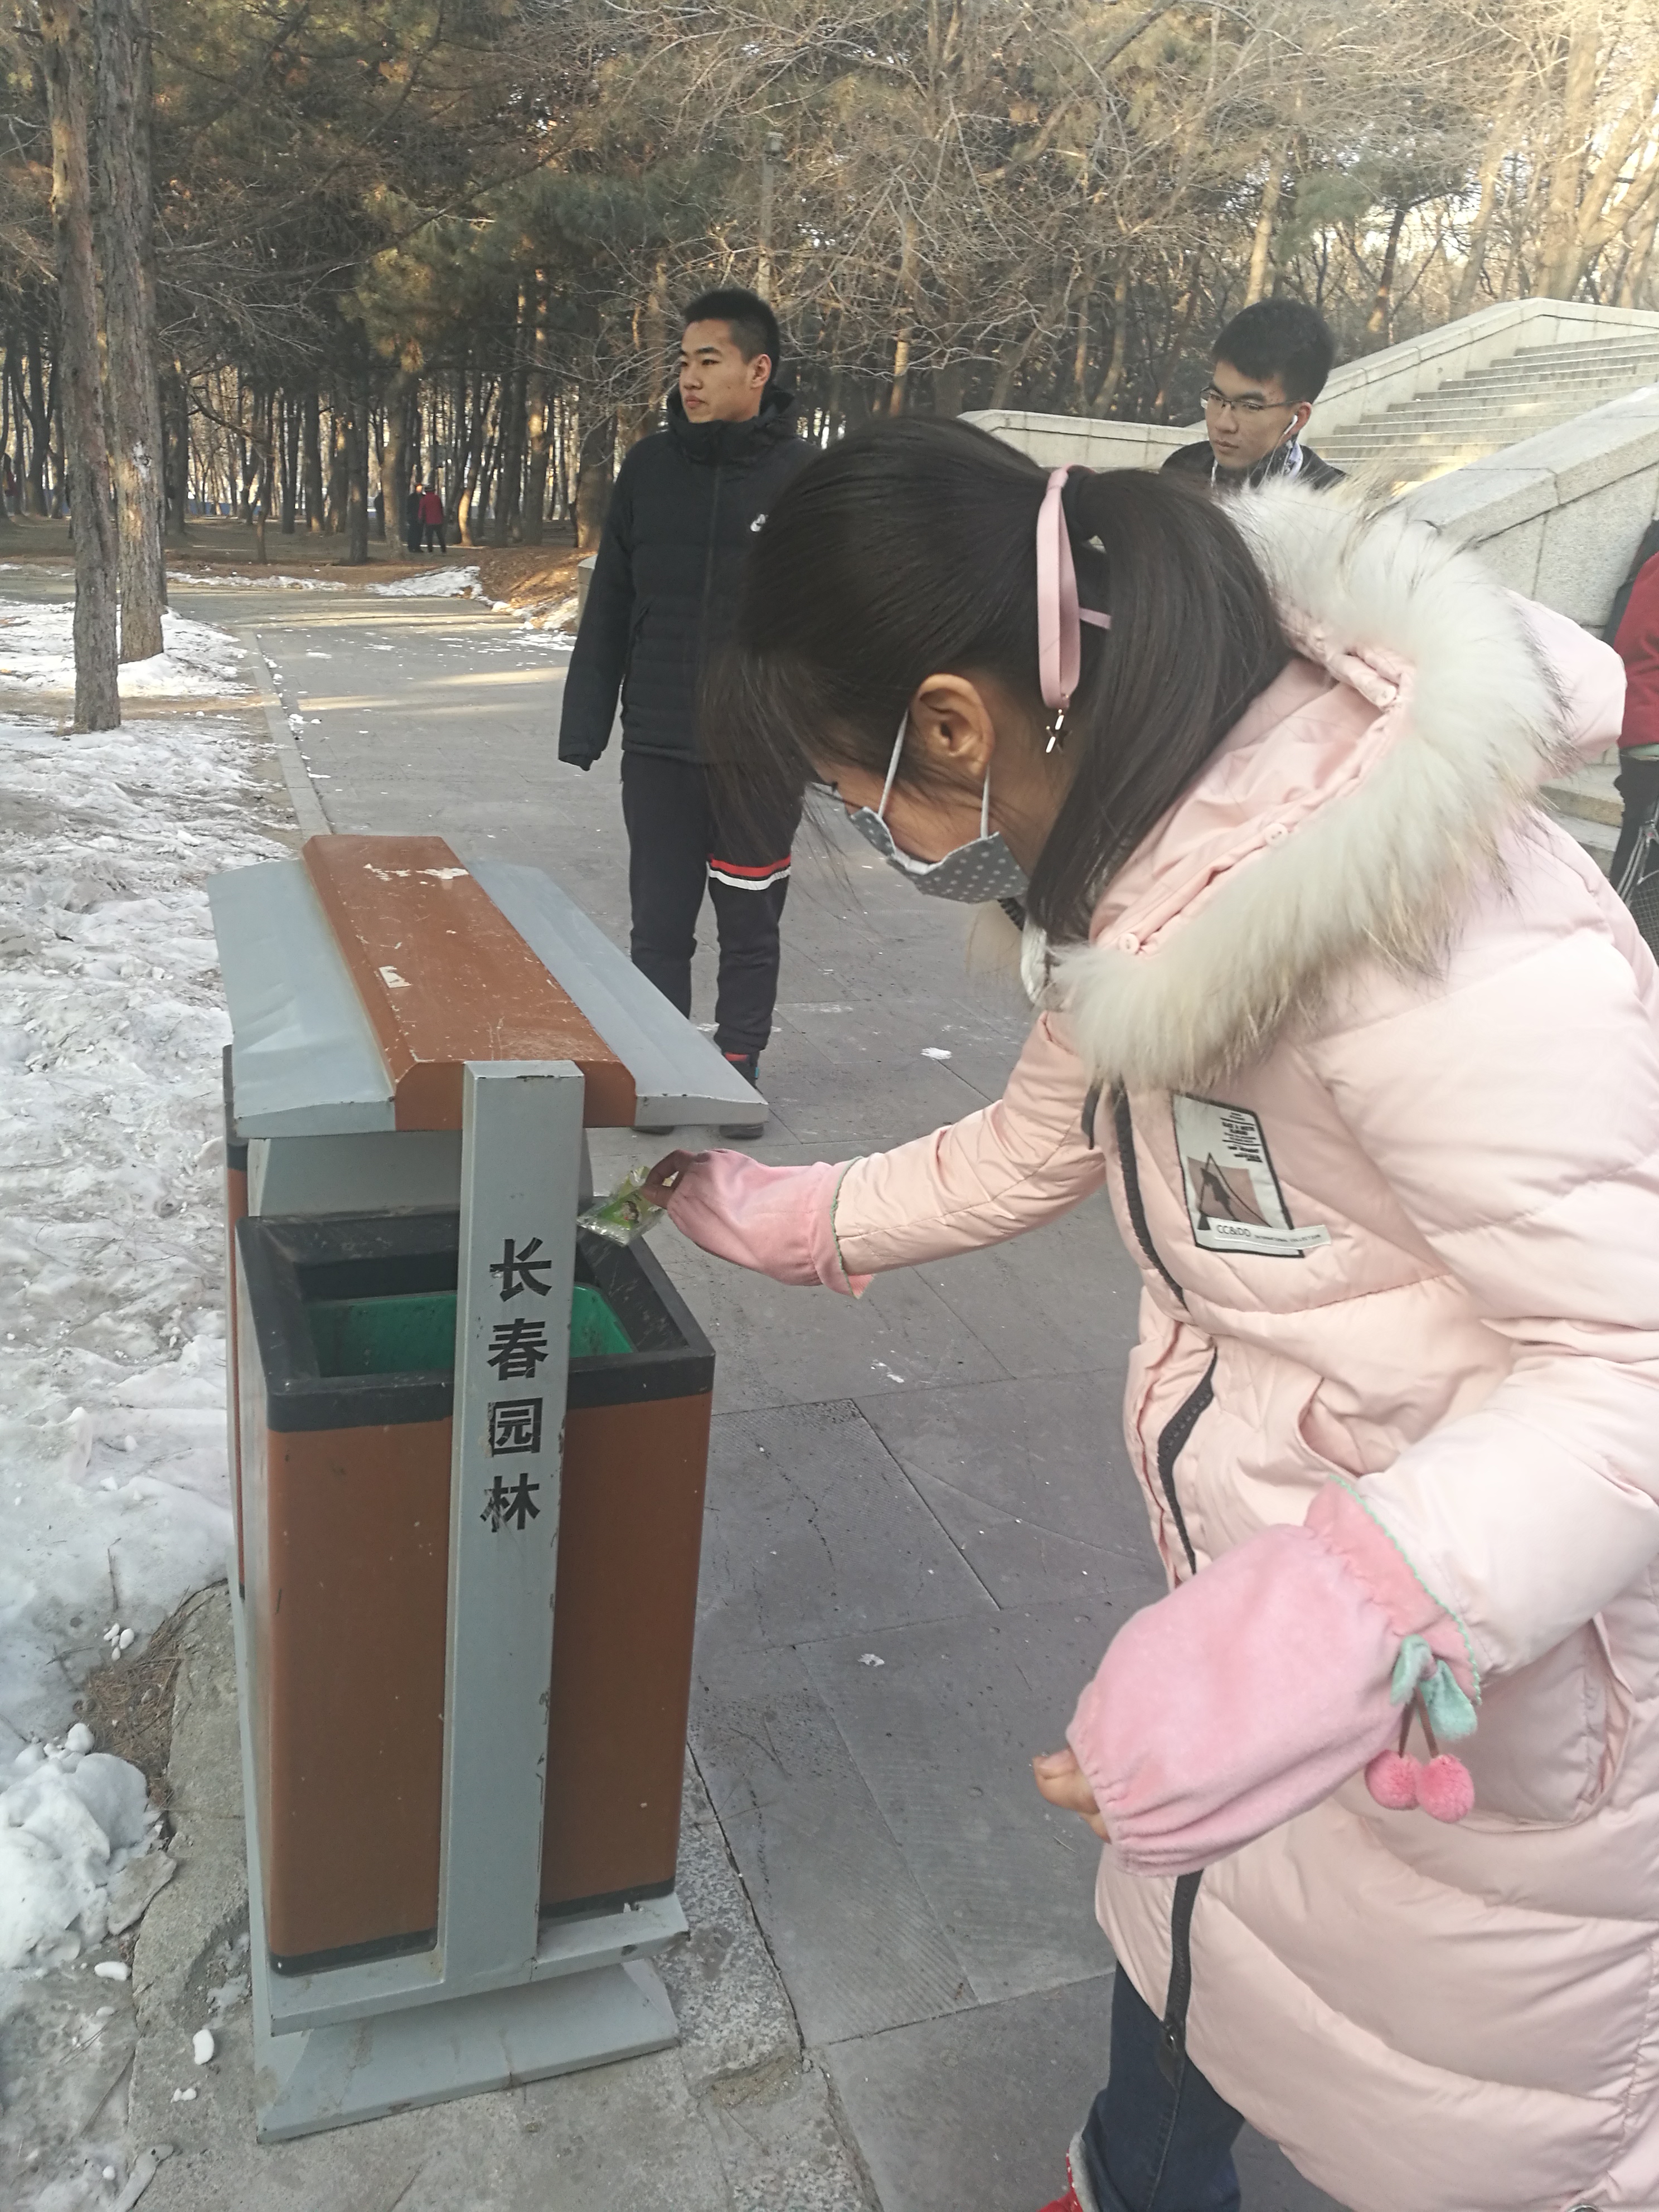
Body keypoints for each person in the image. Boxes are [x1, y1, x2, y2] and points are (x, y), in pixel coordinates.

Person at [644, 418, 1656, 2212]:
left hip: (1478, 1669)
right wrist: (791, 1217)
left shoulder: (1427, 921)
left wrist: (1328, 1615)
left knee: (1466, 2098)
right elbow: (1038, 1140)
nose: (880, 835)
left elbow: (1633, 1363)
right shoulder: (1142, 856)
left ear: (953, 725)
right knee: (1201, 1926)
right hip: (1275, 1580)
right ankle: (1130, 2176)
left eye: (859, 791)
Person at [557, 288, 810, 1127]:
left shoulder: (803, 478)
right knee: (659, 925)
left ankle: (738, 1065)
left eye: (709, 361)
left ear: (757, 370)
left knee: (749, 921)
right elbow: (612, 599)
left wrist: (834, 744)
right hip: (661, 745)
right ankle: (663, 1068)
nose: (689, 378)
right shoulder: (650, 468)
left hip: (760, 753)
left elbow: (835, 620)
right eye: (684, 361)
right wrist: (586, 722)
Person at [1163, 300, 1345, 492]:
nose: (1223, 424)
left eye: (1250, 406)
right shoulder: (1180, 471)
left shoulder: (1335, 500)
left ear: (1298, 417)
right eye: (1216, 398)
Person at [1611, 543, 1659, 890]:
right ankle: (1625, 919)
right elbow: (1636, 651)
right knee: (1643, 858)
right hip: (1651, 734)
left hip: (1647, 728)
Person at [421, 482, 447, 554]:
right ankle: (443, 549)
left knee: (429, 536)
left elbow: (422, 509)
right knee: (440, 536)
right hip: (438, 520)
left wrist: (421, 518)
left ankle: (430, 550)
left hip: (429, 521)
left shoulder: (424, 499)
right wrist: (442, 517)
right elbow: (441, 508)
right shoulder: (437, 498)